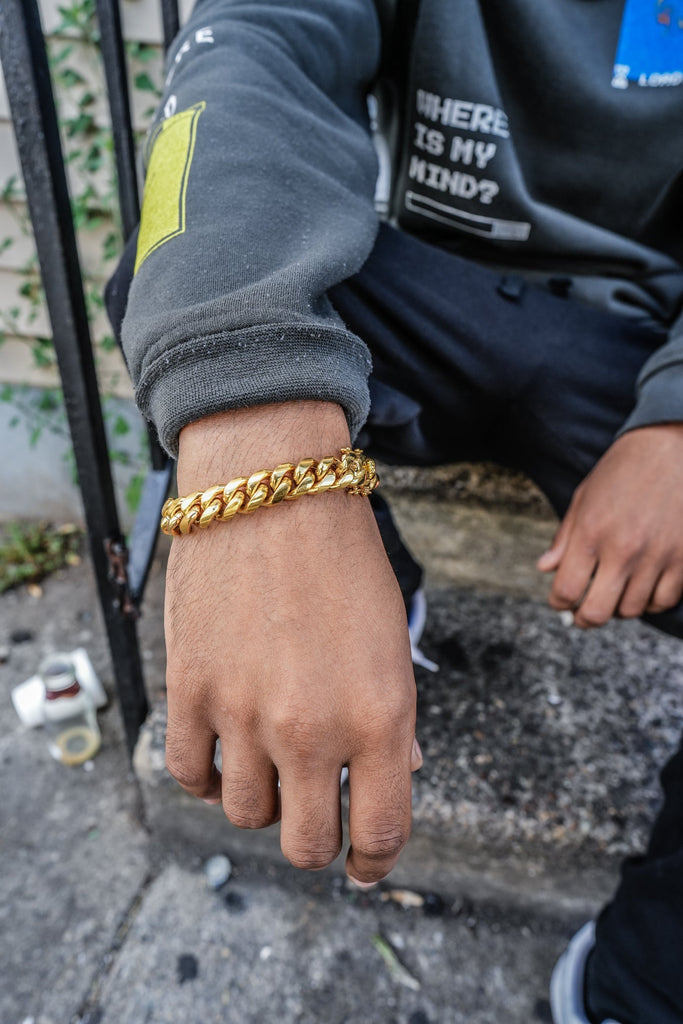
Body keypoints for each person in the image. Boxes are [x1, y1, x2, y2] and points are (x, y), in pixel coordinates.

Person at [107, 2, 683, 1021]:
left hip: (644, 341)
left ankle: (637, 983)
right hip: (429, 294)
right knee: (178, 267)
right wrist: (251, 411)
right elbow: (254, 51)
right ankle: (384, 590)